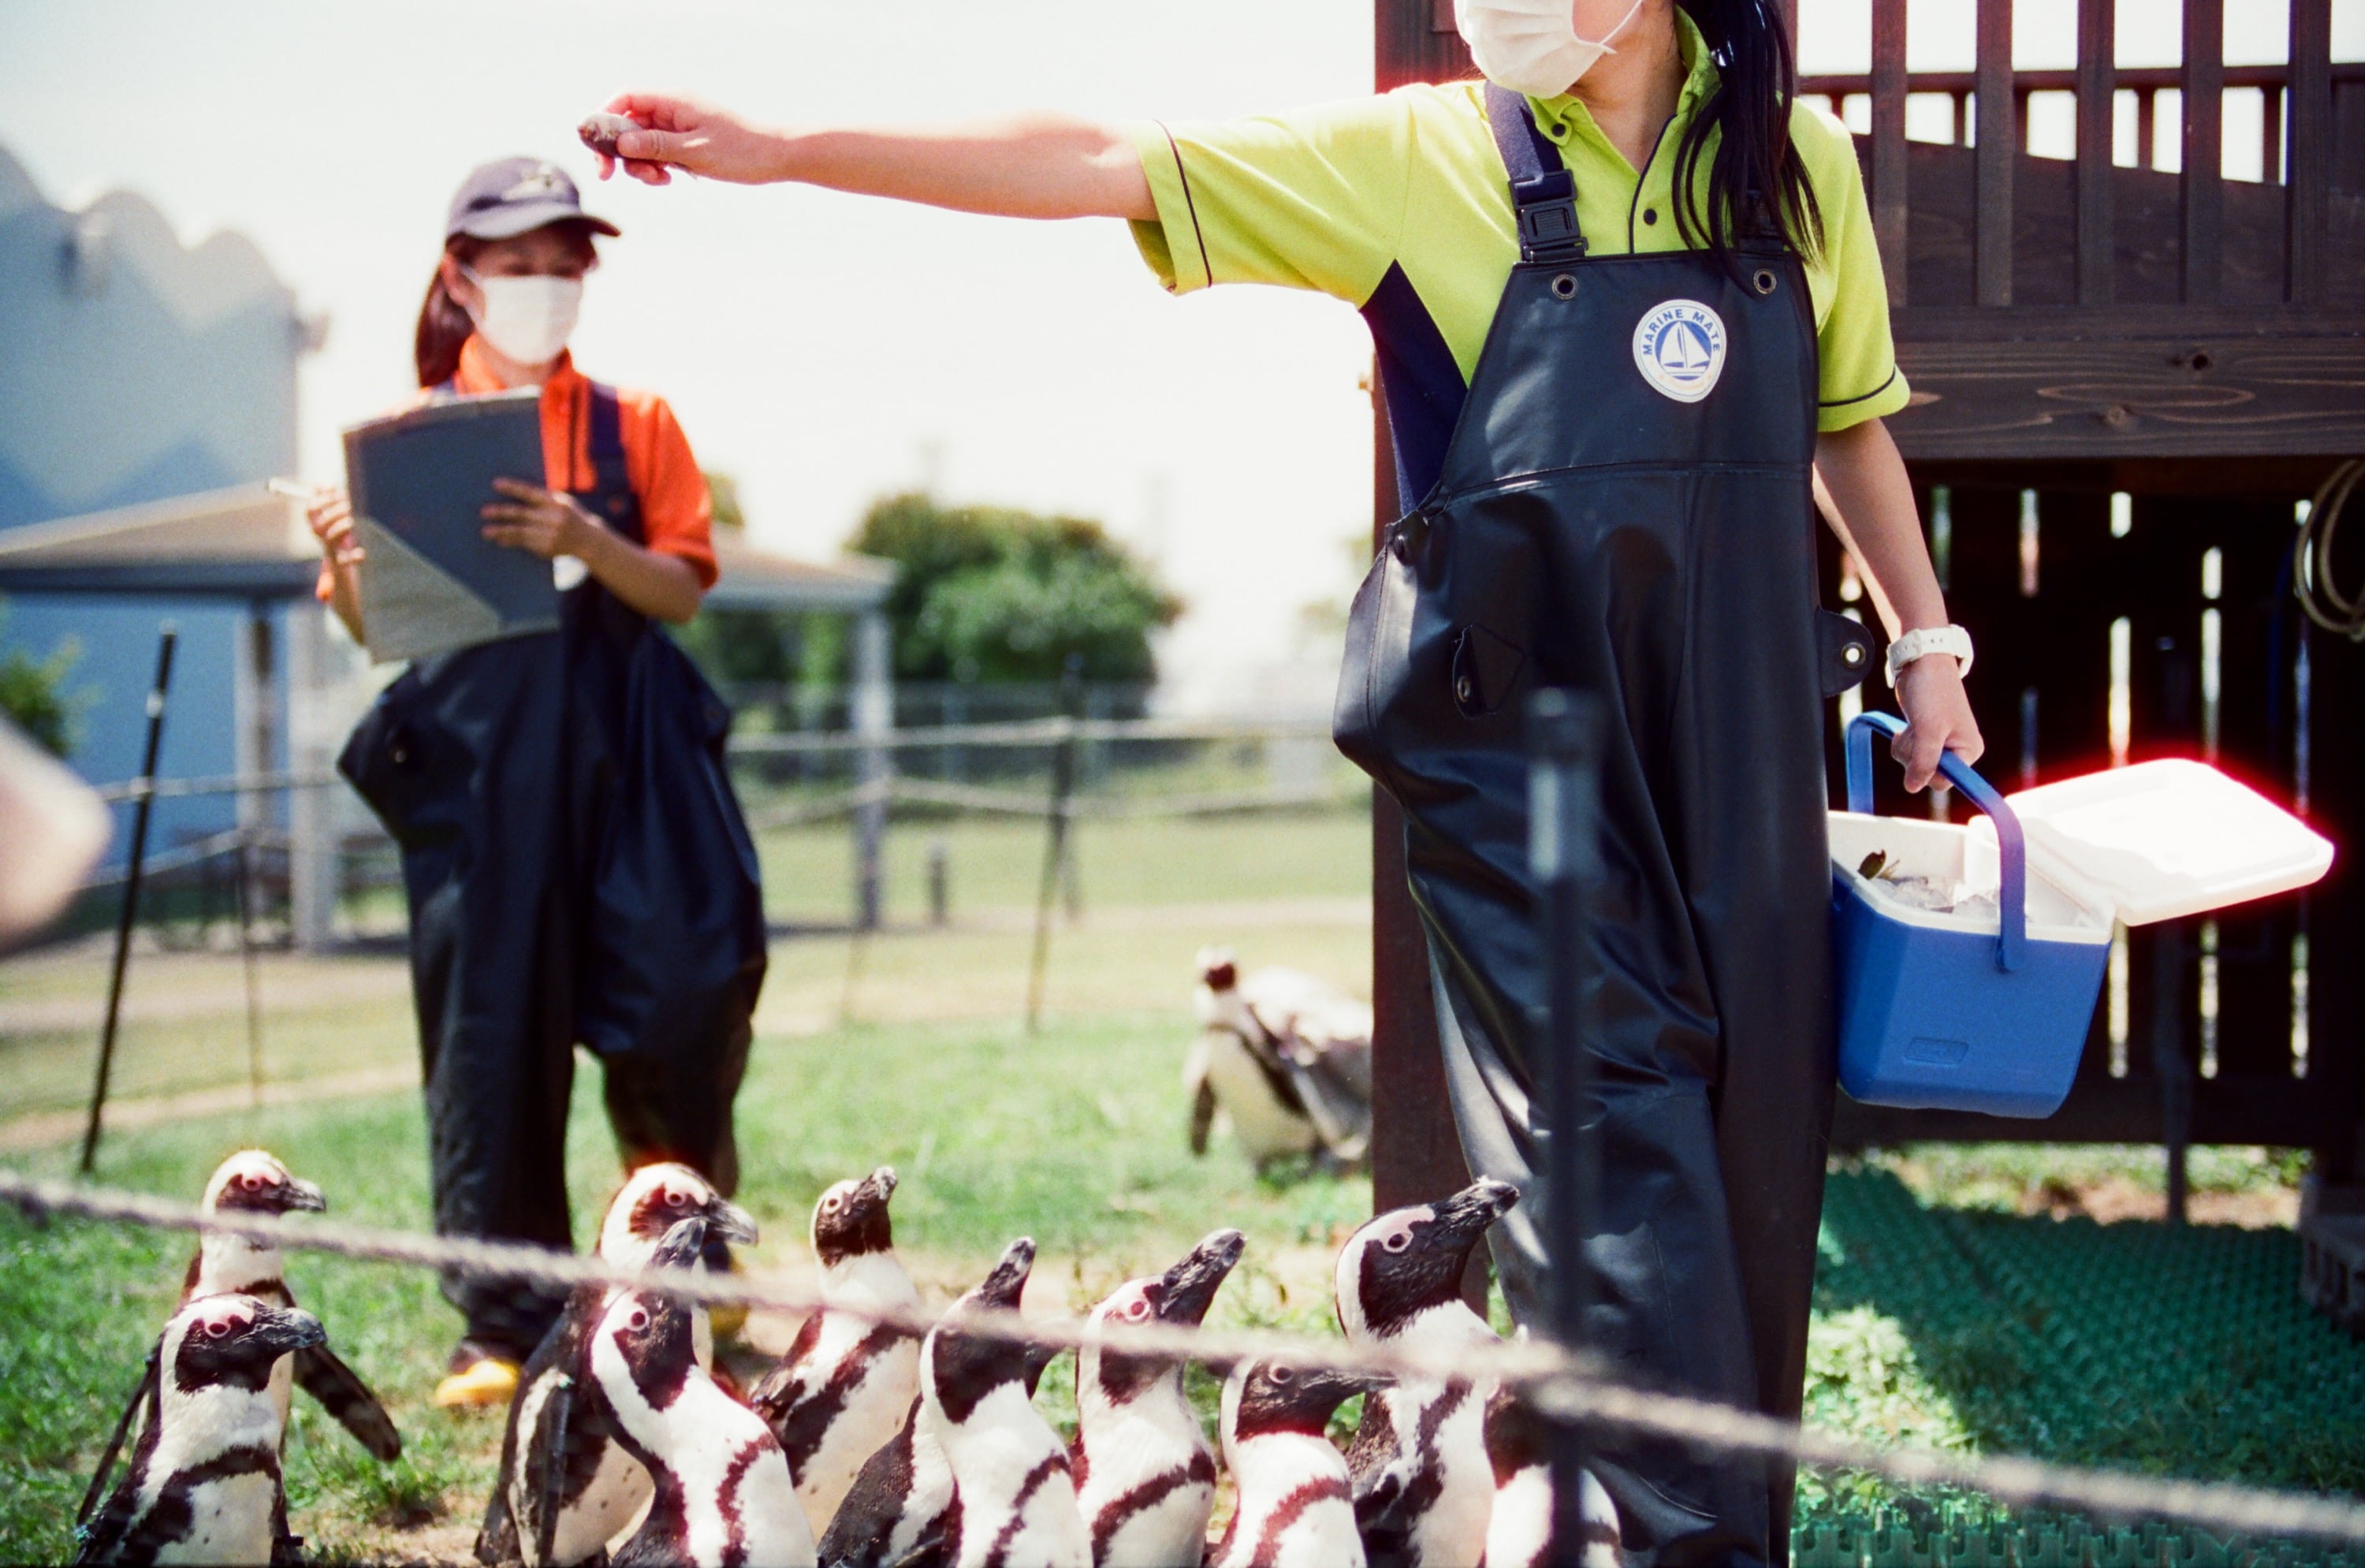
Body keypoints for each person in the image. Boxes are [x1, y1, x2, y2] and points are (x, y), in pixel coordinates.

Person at [594, 0, 1983, 1559]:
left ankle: (1703, 1527)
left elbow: (1847, 420)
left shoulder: (1795, 162)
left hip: (1735, 749)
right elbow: (1102, 159)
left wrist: (1927, 640)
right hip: (1523, 774)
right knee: (1619, 1176)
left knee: (1750, 1173)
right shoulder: (1419, 156)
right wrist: (786, 152)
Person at [307, 158, 768, 1410]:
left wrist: (586, 539)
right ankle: (503, 1322)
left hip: (634, 759)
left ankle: (681, 1248)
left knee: (686, 990)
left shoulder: (638, 424)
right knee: (492, 1043)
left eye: (569, 263)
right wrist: (348, 565)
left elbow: (680, 587)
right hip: (479, 774)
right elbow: (375, 633)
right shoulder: (401, 444)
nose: (550, 285)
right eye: (521, 264)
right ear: (462, 276)